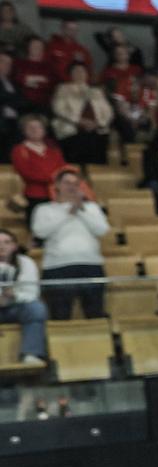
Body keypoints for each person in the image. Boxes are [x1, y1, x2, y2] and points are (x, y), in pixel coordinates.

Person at [32, 169, 110, 320]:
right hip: (57, 267)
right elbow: (41, 232)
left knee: (95, 314)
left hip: (91, 265)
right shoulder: (44, 209)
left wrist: (81, 210)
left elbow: (102, 230)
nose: (71, 187)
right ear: (57, 185)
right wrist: (68, 212)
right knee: (60, 315)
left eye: (75, 183)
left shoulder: (91, 208)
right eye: (67, 183)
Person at [0, 228, 49, 367]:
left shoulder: (26, 263)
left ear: (14, 246)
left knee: (36, 309)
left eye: (6, 242)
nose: (1, 246)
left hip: (16, 306)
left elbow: (32, 293)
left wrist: (14, 295)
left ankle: (31, 354)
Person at [50, 64, 114, 165]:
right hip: (72, 129)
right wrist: (80, 121)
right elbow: (58, 109)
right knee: (84, 141)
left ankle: (96, 174)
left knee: (98, 140)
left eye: (82, 71)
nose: (80, 74)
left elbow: (108, 112)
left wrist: (98, 123)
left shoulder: (96, 91)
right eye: (76, 71)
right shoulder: (63, 88)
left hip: (96, 129)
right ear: (71, 74)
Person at [9, 116, 66, 215]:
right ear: (24, 131)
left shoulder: (54, 149)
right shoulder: (19, 150)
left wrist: (60, 179)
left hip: (58, 194)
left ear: (44, 130)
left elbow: (63, 169)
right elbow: (27, 173)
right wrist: (54, 178)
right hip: (35, 195)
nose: (35, 130)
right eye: (30, 127)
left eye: (39, 127)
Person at [13, 35, 57, 109]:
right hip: (22, 104)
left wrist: (29, 80)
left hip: (43, 104)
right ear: (28, 47)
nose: (36, 48)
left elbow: (52, 84)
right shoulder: (19, 63)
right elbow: (17, 79)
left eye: (39, 46)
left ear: (43, 49)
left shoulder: (50, 67)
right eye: (33, 45)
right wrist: (40, 80)